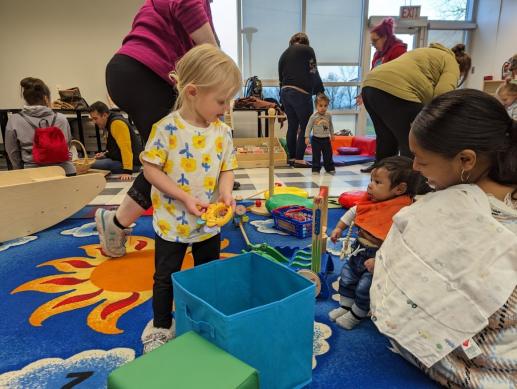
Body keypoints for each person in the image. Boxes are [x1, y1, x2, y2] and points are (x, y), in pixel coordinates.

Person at [370, 89, 517, 388]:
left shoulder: (446, 210)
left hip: (473, 350)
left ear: (466, 160)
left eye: (421, 161)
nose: (414, 169)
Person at [134, 44, 239, 353]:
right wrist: (182, 196)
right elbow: (151, 169)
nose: (226, 107)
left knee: (209, 274)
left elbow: (227, 167)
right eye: (221, 100)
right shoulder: (166, 129)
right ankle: (162, 325)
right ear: (193, 91)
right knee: (166, 276)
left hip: (208, 223)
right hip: (172, 221)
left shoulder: (222, 132)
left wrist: (226, 191)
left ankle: (203, 321)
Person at [95, 0, 219, 257]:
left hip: (133, 71)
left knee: (170, 154)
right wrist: (217, 59)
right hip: (143, 73)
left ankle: (119, 222)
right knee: (170, 156)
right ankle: (116, 223)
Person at [328, 156, 429, 329]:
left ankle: (356, 314)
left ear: (400, 189)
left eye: (377, 182)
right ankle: (345, 306)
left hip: (377, 259)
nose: (370, 185)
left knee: (365, 288)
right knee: (347, 278)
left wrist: (380, 260)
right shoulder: (371, 201)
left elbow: (401, 243)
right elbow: (354, 211)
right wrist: (338, 228)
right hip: (358, 251)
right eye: (371, 180)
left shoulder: (403, 212)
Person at [360, 43, 471, 173]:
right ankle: (410, 175)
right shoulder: (452, 63)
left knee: (386, 135)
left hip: (370, 85)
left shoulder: (427, 52)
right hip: (397, 88)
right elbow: (442, 95)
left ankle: (381, 170)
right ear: (462, 68)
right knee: (414, 138)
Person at [5, 77, 75, 176]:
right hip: (65, 172)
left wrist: (21, 172)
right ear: (46, 98)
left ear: (26, 98)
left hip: (33, 174)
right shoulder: (61, 119)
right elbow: (67, 145)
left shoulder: (15, 120)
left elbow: (12, 152)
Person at [278, 32, 324, 168]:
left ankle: (291, 158)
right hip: (301, 92)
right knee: (305, 126)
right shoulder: (308, 50)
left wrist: (282, 101)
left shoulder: (284, 54)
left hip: (285, 91)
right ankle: (299, 159)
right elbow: (313, 70)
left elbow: (280, 78)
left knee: (292, 126)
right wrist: (319, 90)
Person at [356, 18, 407, 107]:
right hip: (378, 99)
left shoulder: (398, 51)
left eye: (375, 41)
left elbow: (397, 77)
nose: (373, 45)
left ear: (385, 37)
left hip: (392, 100)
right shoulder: (377, 55)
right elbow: (372, 76)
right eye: (372, 42)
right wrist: (363, 94)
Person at [88, 101, 143, 180]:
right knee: (93, 161)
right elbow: (116, 147)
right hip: (126, 161)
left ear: (105, 115)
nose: (94, 122)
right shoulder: (111, 121)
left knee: (90, 164)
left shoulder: (116, 123)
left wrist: (127, 171)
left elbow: (126, 148)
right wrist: (105, 154)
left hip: (133, 165)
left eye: (95, 118)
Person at [305, 93, 335, 174]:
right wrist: (307, 137)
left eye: (325, 106)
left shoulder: (328, 116)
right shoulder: (313, 116)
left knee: (328, 154)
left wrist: (332, 134)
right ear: (316, 106)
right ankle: (315, 168)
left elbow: (331, 126)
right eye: (320, 106)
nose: (323, 108)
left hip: (326, 139)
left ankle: (329, 168)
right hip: (316, 139)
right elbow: (308, 127)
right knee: (316, 155)